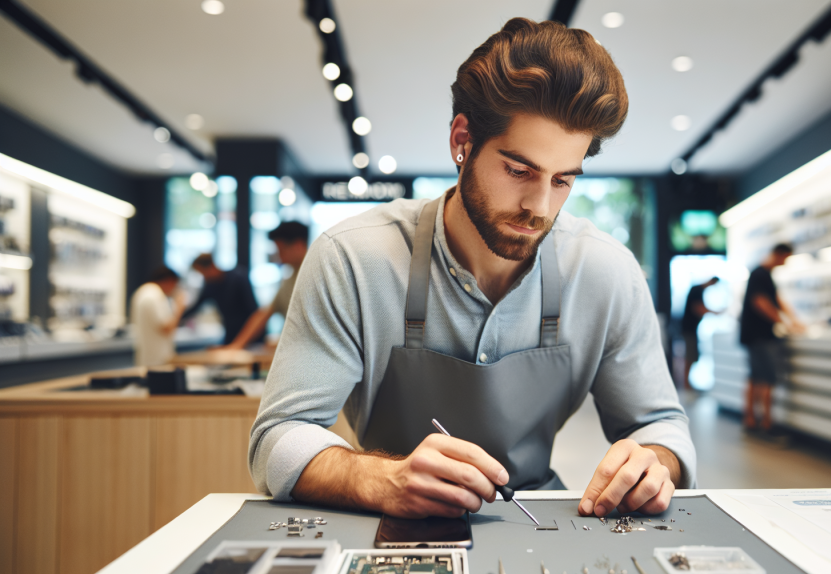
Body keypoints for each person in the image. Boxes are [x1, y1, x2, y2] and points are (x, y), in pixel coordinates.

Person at [249, 18, 696, 521]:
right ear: (462, 139)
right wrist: (380, 478)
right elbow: (277, 437)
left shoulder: (606, 272)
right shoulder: (353, 259)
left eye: (563, 179)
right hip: (386, 522)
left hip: (538, 519)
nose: (540, 207)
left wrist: (654, 462)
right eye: (519, 171)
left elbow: (662, 428)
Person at [739, 243, 804, 432]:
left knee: (755, 377)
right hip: (760, 336)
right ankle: (766, 423)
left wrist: (793, 320)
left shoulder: (763, 275)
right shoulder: (760, 274)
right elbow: (760, 302)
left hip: (754, 336)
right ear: (779, 255)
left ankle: (751, 419)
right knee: (767, 379)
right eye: (786, 258)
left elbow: (777, 300)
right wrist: (782, 322)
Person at [220, 222, 309, 350]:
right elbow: (264, 314)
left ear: (298, 245)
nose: (280, 258)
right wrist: (236, 346)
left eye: (281, 250)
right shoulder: (291, 278)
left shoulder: (316, 276)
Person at [181, 253, 261, 346]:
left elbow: (254, 312)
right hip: (231, 335)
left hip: (252, 335)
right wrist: (178, 318)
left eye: (203, 272)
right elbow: (196, 307)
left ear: (212, 266)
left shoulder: (238, 278)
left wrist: (240, 343)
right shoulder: (210, 285)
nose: (204, 277)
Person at [129, 266, 185, 367]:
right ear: (169, 281)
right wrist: (179, 308)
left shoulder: (143, 291)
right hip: (158, 359)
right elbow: (166, 328)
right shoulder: (155, 295)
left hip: (148, 357)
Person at [679, 277, 720, 390]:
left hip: (691, 329)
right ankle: (686, 385)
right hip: (689, 330)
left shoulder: (697, 289)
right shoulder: (697, 290)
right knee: (690, 357)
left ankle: (687, 384)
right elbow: (698, 308)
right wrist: (715, 312)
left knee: (692, 356)